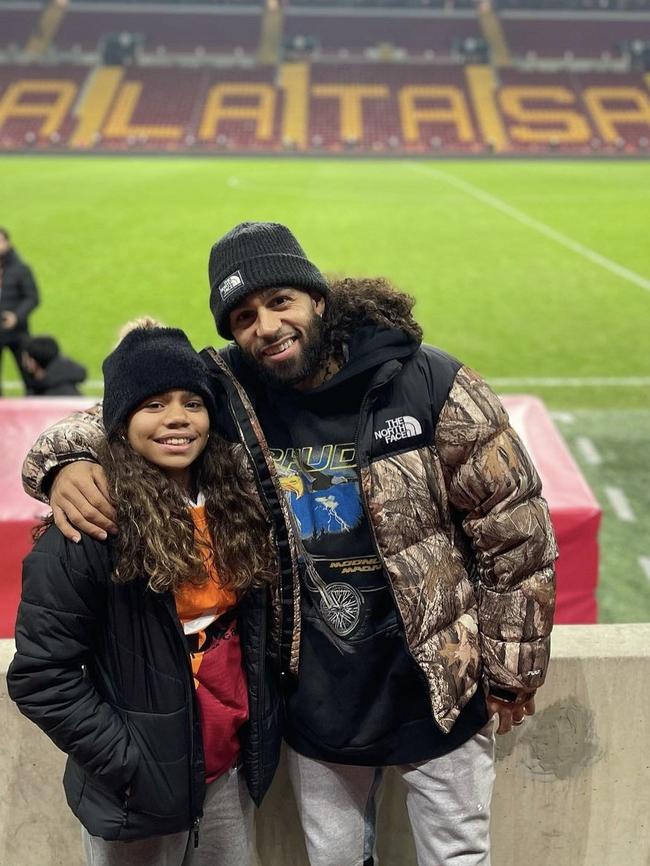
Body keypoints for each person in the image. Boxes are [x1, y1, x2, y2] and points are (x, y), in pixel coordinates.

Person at [22, 223, 557, 866]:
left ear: (318, 300)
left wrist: (513, 667)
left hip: (440, 684)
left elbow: (514, 525)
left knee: (459, 856)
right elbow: (126, 405)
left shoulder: (428, 379)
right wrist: (65, 464)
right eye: (243, 316)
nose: (267, 327)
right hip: (318, 695)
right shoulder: (231, 389)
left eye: (281, 302)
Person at [9, 321, 282, 866]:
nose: (178, 417)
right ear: (119, 420)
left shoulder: (237, 510)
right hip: (135, 798)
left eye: (192, 402)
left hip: (224, 780)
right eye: (154, 403)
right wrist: (133, 763)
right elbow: (41, 678)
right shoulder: (87, 530)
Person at [0, 227, 40, 395]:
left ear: (8, 243)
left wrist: (17, 316)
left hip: (18, 332)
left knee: (29, 375)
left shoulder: (21, 269)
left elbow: (32, 297)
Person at [21, 334, 87, 395]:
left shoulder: (46, 397)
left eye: (26, 359)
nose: (24, 363)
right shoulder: (66, 387)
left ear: (33, 363)